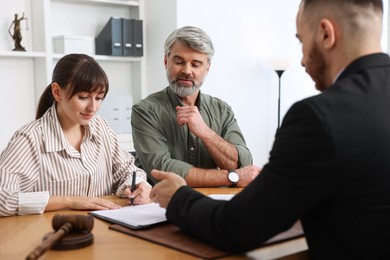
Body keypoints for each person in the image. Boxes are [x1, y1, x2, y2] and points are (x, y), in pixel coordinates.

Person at [149, 0, 390, 259]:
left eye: (301, 41)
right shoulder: (148, 109)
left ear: (325, 34)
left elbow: (235, 227)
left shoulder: (316, 118)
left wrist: (178, 198)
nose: (302, 60)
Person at [0, 53, 151, 217]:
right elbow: (3, 199)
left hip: (104, 232)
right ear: (57, 92)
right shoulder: (30, 139)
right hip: (52, 234)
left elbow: (127, 171)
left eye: (99, 98)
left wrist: (138, 185)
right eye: (83, 97)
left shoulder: (100, 127)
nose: (93, 108)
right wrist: (69, 201)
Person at [131, 26, 260, 187]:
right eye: (179, 62)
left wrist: (205, 133)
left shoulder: (222, 110)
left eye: (196, 64)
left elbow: (243, 164)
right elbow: (162, 172)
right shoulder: (145, 111)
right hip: (162, 206)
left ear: (207, 67)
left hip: (215, 205)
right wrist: (231, 177)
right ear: (166, 61)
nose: (186, 71)